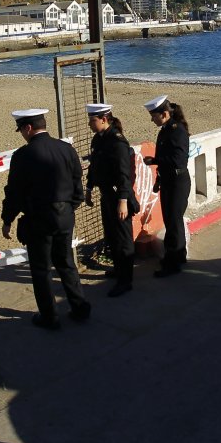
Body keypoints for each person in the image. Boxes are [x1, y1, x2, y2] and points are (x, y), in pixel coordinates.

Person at [1, 109, 91, 329]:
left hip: (39, 218)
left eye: (22, 130)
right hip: (64, 216)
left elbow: (14, 191)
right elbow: (77, 181)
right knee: (66, 263)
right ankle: (79, 307)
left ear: (28, 128)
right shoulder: (66, 149)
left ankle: (49, 317)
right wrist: (71, 207)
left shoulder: (23, 155)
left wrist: (7, 218)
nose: (22, 134)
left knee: (41, 270)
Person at [85, 103, 140, 297]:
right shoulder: (98, 139)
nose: (90, 123)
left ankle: (126, 280)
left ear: (104, 119)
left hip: (119, 197)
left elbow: (124, 174)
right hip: (106, 195)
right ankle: (118, 269)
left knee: (123, 238)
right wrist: (89, 187)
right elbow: (94, 167)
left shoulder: (117, 142)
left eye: (92, 120)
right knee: (112, 235)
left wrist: (123, 200)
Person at [142, 95, 191, 277]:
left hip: (177, 181)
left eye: (154, 115)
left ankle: (172, 263)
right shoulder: (165, 130)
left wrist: (155, 160)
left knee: (173, 223)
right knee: (172, 221)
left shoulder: (177, 131)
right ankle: (179, 256)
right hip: (170, 181)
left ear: (164, 114)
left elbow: (178, 160)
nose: (152, 119)